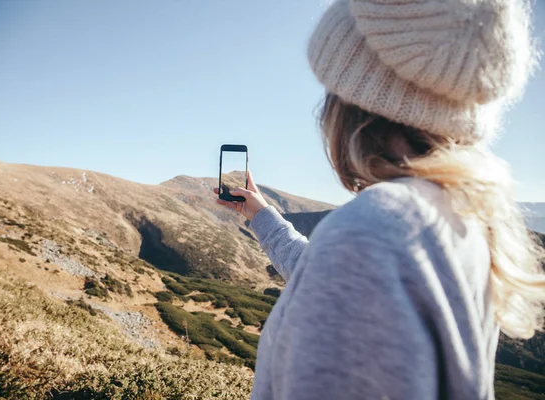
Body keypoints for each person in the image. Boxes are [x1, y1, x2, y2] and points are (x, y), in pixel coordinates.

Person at [214, 0, 545, 398]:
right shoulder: (460, 216)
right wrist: (262, 216)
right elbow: (330, 274)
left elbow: (352, 270)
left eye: (331, 89)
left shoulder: (371, 233)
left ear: (358, 105)